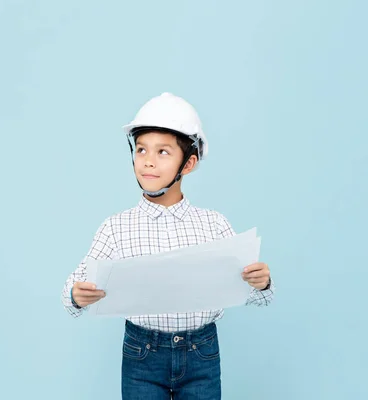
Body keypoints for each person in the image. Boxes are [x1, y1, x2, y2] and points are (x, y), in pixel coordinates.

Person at [61, 93, 274, 400]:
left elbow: (258, 296)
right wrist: (77, 295)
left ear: (188, 163)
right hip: (142, 356)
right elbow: (72, 292)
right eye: (142, 149)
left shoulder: (213, 225)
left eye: (163, 152)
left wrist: (262, 282)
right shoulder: (116, 227)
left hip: (201, 353)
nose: (148, 160)